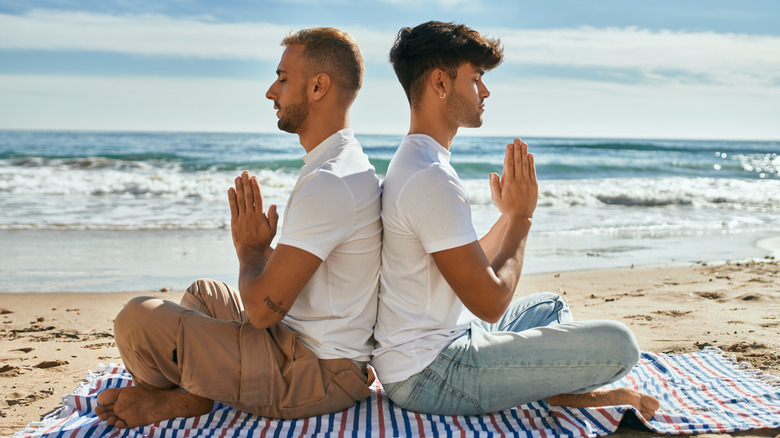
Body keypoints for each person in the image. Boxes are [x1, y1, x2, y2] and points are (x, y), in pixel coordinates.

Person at [372, 21, 660, 420]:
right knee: (621, 344)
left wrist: (508, 217)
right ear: (440, 82)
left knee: (548, 305)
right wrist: (522, 219)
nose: (485, 91)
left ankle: (553, 390)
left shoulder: (419, 162)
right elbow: (490, 303)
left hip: (437, 346)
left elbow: (469, 262)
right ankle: (558, 392)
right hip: (430, 374)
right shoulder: (429, 178)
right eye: (476, 79)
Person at [95, 27, 382, 428]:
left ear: (318, 87)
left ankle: (173, 398)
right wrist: (265, 255)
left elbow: (263, 313)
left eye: (283, 79)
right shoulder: (338, 164)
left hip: (314, 374)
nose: (271, 91)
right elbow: (316, 284)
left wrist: (248, 254)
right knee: (205, 294)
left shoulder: (330, 181)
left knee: (137, 319)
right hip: (308, 348)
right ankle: (190, 397)